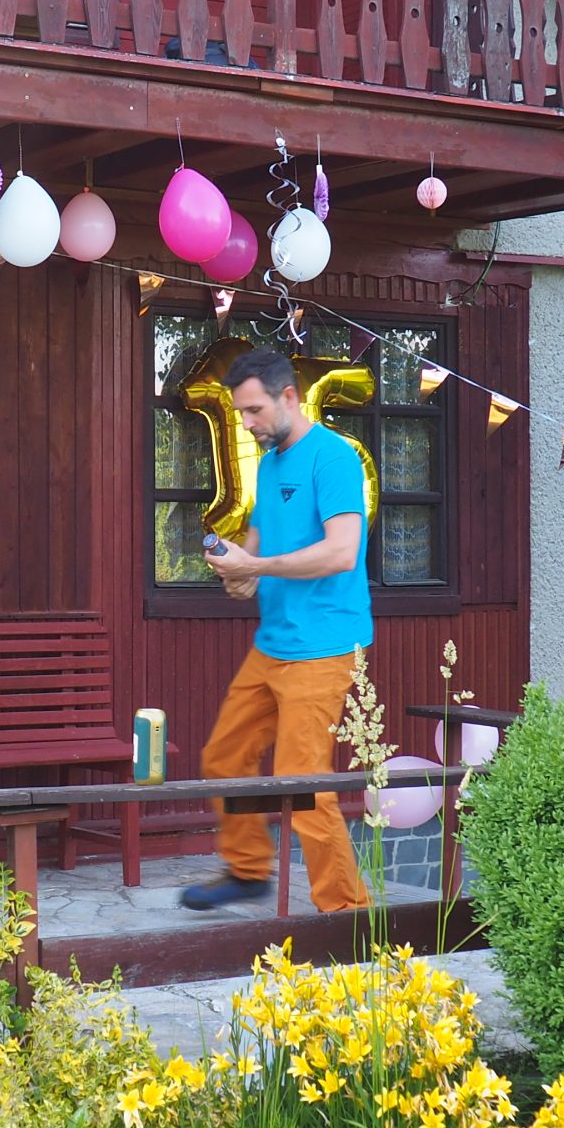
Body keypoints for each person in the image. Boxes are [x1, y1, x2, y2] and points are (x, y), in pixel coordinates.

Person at [180, 348, 373, 914]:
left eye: (254, 410)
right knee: (225, 757)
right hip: (273, 644)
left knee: (301, 784)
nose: (246, 422)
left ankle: (349, 916)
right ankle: (247, 871)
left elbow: (341, 552)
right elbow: (262, 538)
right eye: (240, 412)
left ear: (289, 397)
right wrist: (241, 571)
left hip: (324, 648)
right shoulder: (269, 462)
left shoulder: (333, 458)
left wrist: (257, 567)